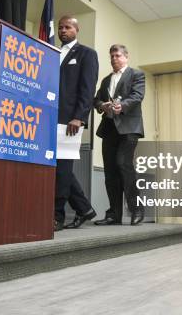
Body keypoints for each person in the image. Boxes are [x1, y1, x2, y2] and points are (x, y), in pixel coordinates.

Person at [93, 45, 145, 226]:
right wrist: (102, 106)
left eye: (117, 55)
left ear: (126, 57)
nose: (114, 59)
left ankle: (137, 208)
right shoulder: (106, 80)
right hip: (109, 128)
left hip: (129, 128)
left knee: (123, 164)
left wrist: (121, 106)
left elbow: (138, 96)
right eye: (112, 56)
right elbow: (96, 99)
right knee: (110, 171)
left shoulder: (136, 75)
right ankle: (114, 214)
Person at [55, 16, 98, 231]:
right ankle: (84, 209)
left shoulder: (87, 54)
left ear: (77, 30)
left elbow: (88, 89)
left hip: (70, 120)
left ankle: (57, 216)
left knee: (62, 169)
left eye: (68, 27)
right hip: (49, 118)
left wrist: (79, 117)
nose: (63, 30)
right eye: (61, 27)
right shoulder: (53, 53)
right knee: (57, 168)